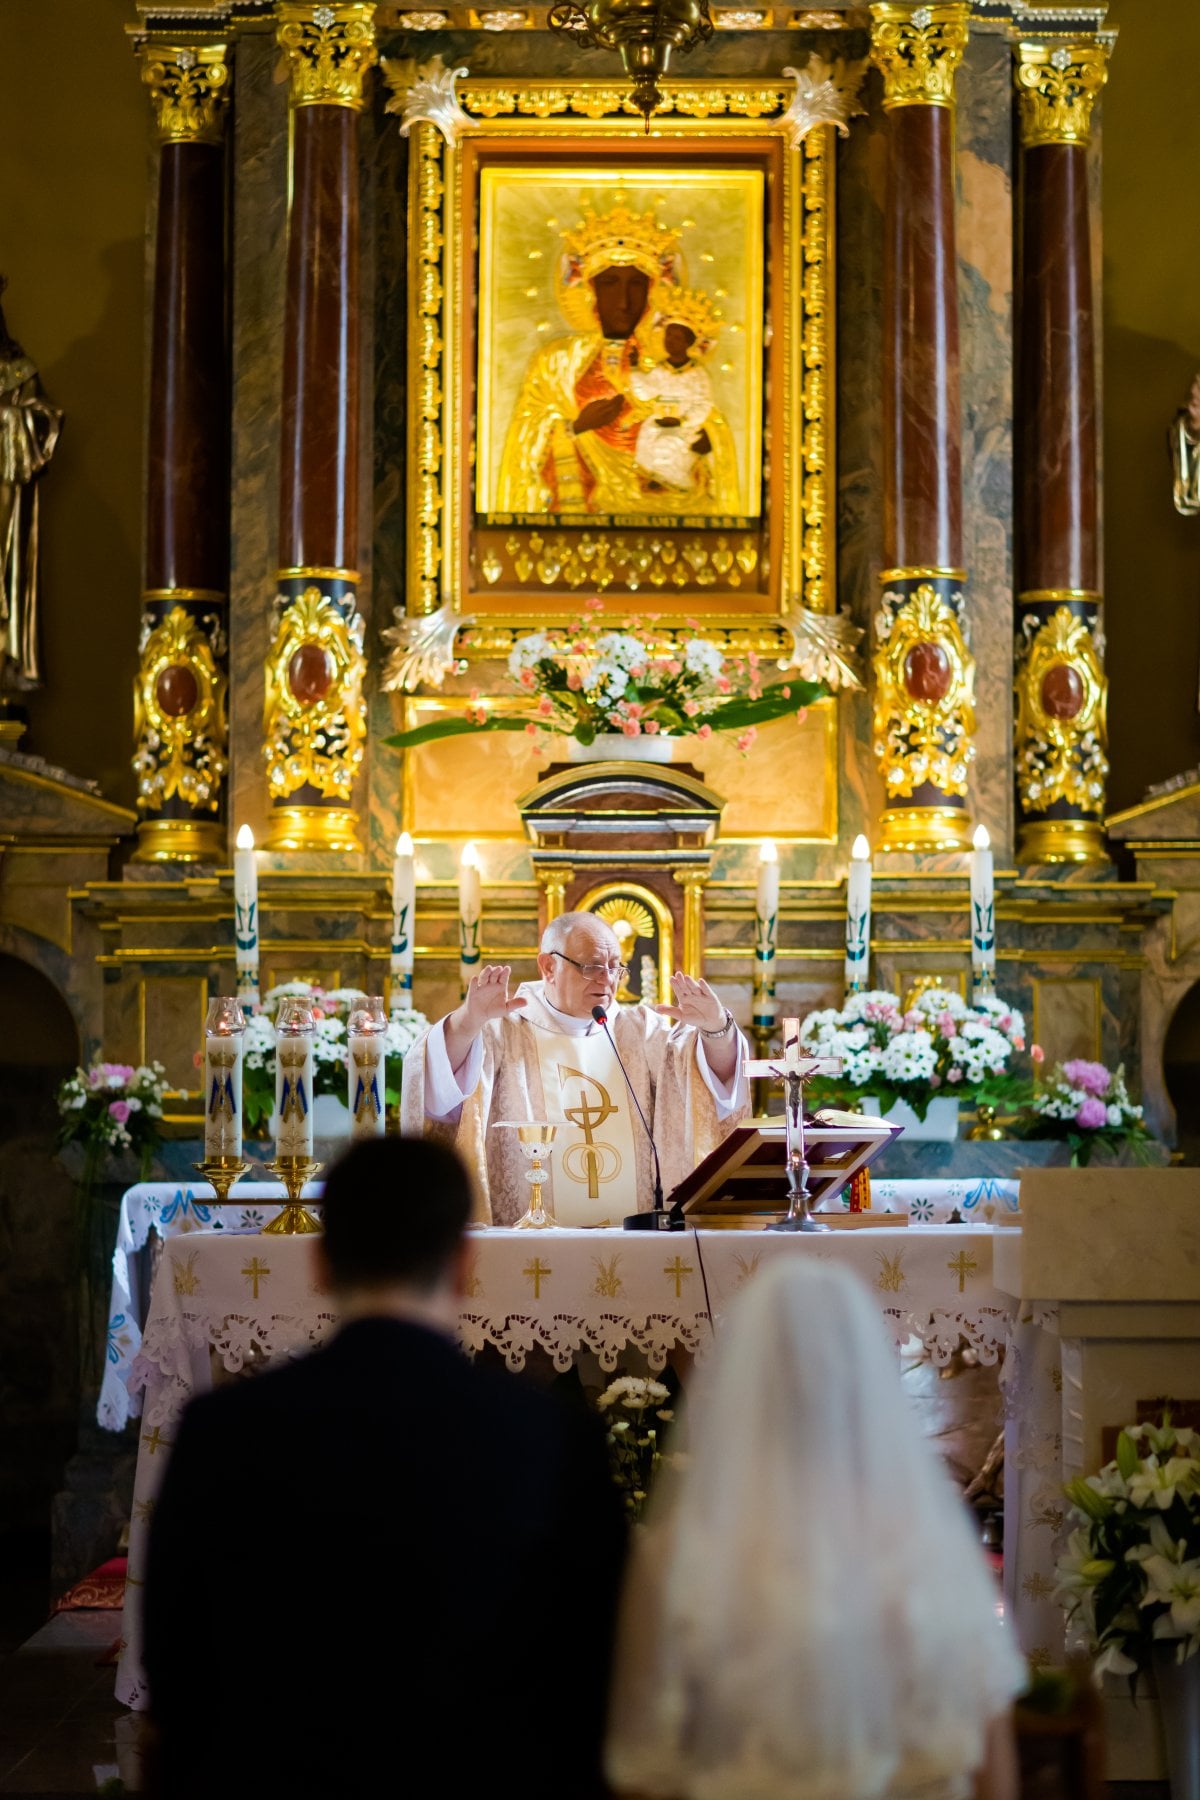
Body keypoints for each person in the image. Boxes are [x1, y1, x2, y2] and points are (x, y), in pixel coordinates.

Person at [143, 1137, 627, 1800]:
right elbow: (589, 1683)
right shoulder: (555, 1437)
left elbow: (179, 1672)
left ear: (319, 1261)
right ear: (464, 1265)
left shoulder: (224, 1431)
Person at [606, 1260, 1025, 1800]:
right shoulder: (933, 1554)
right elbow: (994, 1776)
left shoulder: (677, 1559)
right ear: (866, 1385)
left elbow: (645, 1775)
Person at [401, 911, 749, 1226]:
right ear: (548, 967)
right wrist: (466, 1024)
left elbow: (706, 1087)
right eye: (592, 966)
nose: (607, 980)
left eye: (615, 967)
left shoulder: (640, 1030)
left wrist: (716, 1030)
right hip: (527, 1252)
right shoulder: (502, 1030)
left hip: (636, 1248)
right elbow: (436, 1101)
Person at [495, 202, 739, 518]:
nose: (624, 301)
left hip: (667, 502)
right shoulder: (558, 361)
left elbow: (709, 423)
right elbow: (526, 439)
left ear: (652, 292)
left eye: (636, 284)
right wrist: (577, 425)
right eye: (610, 284)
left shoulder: (669, 357)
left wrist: (704, 442)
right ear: (590, 289)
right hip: (581, 504)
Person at [629, 289, 735, 501]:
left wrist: (683, 421)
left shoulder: (697, 374)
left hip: (686, 427)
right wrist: (634, 369)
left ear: (689, 342)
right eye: (669, 336)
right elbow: (645, 391)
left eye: (678, 337)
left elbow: (703, 403)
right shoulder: (660, 370)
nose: (671, 341)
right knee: (648, 442)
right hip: (658, 422)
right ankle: (654, 484)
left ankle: (677, 489)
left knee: (672, 446)